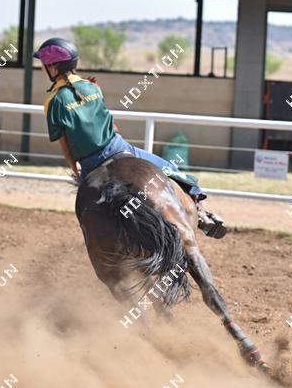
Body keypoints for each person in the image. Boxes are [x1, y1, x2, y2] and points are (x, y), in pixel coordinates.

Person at [34, 37, 227, 239]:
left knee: (88, 215)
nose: (42, 68)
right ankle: (201, 212)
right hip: (120, 148)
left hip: (91, 163)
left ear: (53, 66)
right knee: (171, 169)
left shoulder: (53, 101)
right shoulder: (93, 87)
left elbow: (66, 149)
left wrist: (77, 171)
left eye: (43, 64)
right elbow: (108, 122)